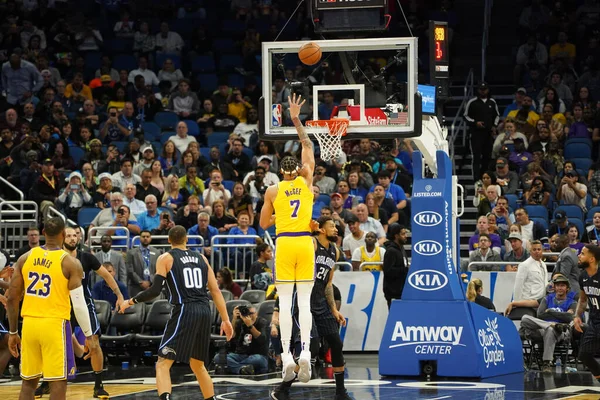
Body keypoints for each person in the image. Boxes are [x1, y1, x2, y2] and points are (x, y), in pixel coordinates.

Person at [118, 225, 233, 400]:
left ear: (169, 240)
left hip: (185, 309)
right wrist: (225, 319)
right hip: (204, 310)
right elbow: (216, 291)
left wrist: (130, 301)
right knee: (198, 365)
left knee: (162, 363)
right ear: (186, 239)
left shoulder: (166, 258)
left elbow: (155, 291)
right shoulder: (201, 257)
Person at [6, 218, 100, 400]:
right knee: (58, 383)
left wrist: (12, 332)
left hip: (30, 324)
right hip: (55, 326)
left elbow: (11, 298)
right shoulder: (69, 262)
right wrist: (89, 336)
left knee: (28, 383)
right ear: (63, 235)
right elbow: (79, 304)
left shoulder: (25, 258)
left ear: (43, 234)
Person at [259, 93, 315, 383]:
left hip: (284, 242)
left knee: (285, 302)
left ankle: (287, 359)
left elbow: (263, 223)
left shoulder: (272, 190)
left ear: (281, 172)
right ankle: (305, 351)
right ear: (300, 170)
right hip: (306, 242)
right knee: (304, 303)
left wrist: (275, 210)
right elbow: (307, 144)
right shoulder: (307, 182)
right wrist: (295, 118)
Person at [36, 226, 124, 398]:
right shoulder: (55, 258)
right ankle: (47, 381)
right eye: (68, 235)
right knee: (52, 344)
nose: (72, 238)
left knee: (94, 343)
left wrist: (119, 295)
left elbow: (106, 275)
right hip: (60, 304)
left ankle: (98, 384)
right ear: (62, 238)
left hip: (83, 304)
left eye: (75, 235)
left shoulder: (86, 257)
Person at [271, 216, 352, 400]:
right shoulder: (312, 244)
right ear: (321, 230)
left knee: (337, 344)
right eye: (332, 226)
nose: (336, 229)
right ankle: (282, 388)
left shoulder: (335, 252)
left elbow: (329, 284)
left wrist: (333, 310)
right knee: (312, 348)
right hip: (303, 300)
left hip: (320, 303)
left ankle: (341, 392)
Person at [520, 274, 576, 374]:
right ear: (554, 287)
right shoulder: (547, 299)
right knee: (525, 318)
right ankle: (551, 325)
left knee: (550, 330)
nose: (560, 288)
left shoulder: (572, 302)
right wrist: (560, 316)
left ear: (567, 288)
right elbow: (540, 315)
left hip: (560, 331)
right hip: (543, 328)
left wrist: (550, 311)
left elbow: (569, 317)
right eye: (558, 285)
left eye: (562, 285)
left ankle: (547, 363)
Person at [574, 245, 600, 383]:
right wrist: (577, 316)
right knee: (584, 355)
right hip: (594, 322)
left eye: (582, 253)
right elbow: (583, 300)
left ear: (591, 259)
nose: (579, 255)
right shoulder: (583, 276)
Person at [382, 223, 409, 309]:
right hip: (393, 292)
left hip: (402, 291)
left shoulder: (401, 248)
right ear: (396, 236)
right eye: (403, 234)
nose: (406, 236)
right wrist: (405, 270)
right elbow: (388, 271)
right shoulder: (391, 251)